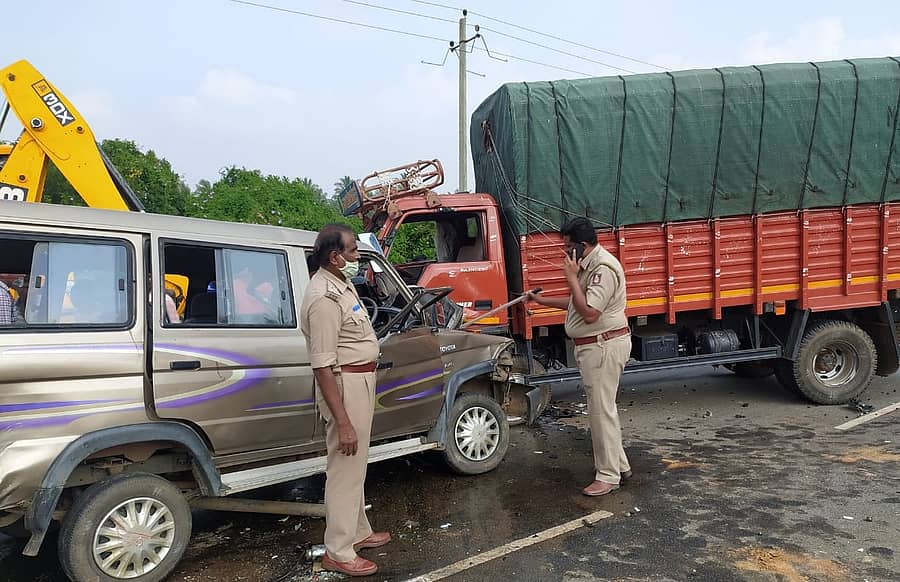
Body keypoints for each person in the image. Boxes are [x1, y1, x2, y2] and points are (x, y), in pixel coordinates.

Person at [300, 223, 390, 577]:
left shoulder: (341, 283)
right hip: (344, 387)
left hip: (358, 382)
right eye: (352, 251)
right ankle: (338, 550)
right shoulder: (323, 297)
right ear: (335, 257)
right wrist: (343, 421)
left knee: (356, 466)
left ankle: (358, 532)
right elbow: (322, 366)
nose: (357, 256)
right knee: (344, 469)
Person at [528, 217, 632, 497]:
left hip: (603, 346)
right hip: (594, 346)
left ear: (582, 246)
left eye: (568, 247)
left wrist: (571, 277)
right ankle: (619, 465)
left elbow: (590, 313)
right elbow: (577, 303)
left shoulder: (603, 269)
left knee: (600, 413)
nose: (565, 253)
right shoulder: (590, 266)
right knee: (604, 410)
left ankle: (608, 476)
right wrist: (542, 301)